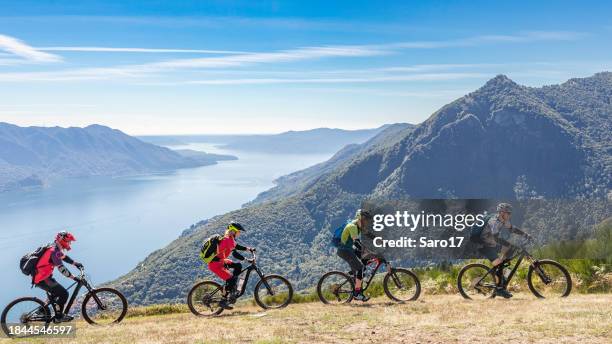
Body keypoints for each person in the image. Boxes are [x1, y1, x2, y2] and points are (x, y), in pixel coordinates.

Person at [480, 203, 531, 298]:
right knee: (500, 262)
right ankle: (499, 289)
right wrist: (507, 244)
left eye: (510, 213)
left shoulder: (503, 220)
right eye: (508, 213)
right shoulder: (494, 222)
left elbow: (513, 229)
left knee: (508, 255)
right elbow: (495, 238)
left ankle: (502, 277)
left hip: (492, 243)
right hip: (485, 245)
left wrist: (525, 234)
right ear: (502, 213)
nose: (510, 215)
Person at [33, 231, 83, 322]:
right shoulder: (54, 251)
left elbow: (64, 257)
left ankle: (41, 311)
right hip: (43, 279)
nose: (69, 243)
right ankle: (59, 317)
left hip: (43, 277)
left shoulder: (54, 247)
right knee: (64, 293)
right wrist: (74, 277)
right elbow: (61, 268)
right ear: (61, 239)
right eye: (68, 241)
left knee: (55, 294)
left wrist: (75, 263)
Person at [207, 222, 253, 309]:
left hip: (221, 261)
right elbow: (235, 253)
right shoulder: (228, 240)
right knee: (231, 279)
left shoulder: (230, 239)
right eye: (238, 231)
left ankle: (232, 288)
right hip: (215, 265)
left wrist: (249, 249)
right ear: (233, 231)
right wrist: (246, 259)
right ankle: (223, 301)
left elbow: (237, 246)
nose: (239, 233)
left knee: (238, 266)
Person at [337, 209, 373, 301]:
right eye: (365, 220)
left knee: (365, 260)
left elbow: (369, 235)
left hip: (349, 249)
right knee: (360, 268)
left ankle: (355, 276)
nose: (366, 222)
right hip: (344, 251)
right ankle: (357, 293)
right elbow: (356, 242)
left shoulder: (358, 225)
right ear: (359, 219)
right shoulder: (352, 226)